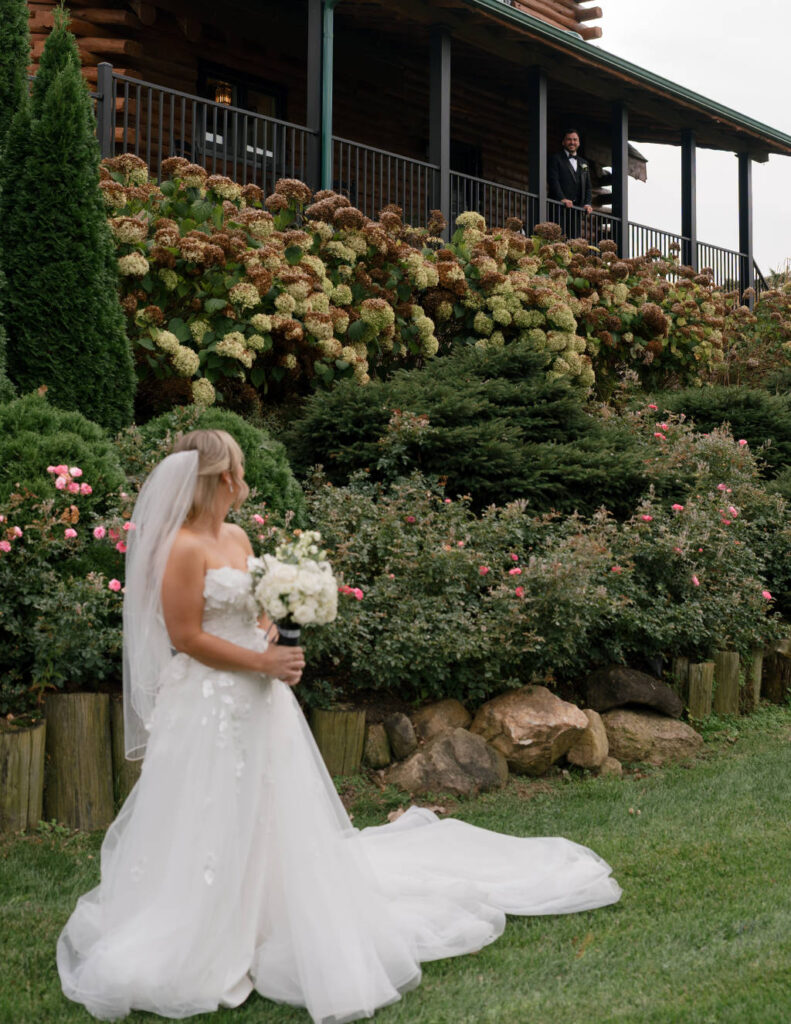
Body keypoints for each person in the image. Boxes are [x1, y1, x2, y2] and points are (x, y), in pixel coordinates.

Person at [57, 429, 621, 1023]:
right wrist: (262, 660)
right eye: (239, 471)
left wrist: (272, 630)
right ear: (221, 478)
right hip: (210, 704)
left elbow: (245, 610)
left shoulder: (238, 535)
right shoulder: (182, 547)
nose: (243, 481)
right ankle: (204, 926)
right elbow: (186, 637)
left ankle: (273, 913)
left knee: (270, 806)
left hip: (260, 699)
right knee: (210, 806)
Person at [548, 129, 593, 227]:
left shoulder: (584, 163)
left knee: (574, 240)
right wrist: (562, 198)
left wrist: (588, 203)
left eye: (575, 140)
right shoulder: (556, 158)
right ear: (563, 142)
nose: (572, 142)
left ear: (579, 143)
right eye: (569, 139)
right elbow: (553, 180)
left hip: (576, 211)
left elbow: (588, 187)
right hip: (558, 208)